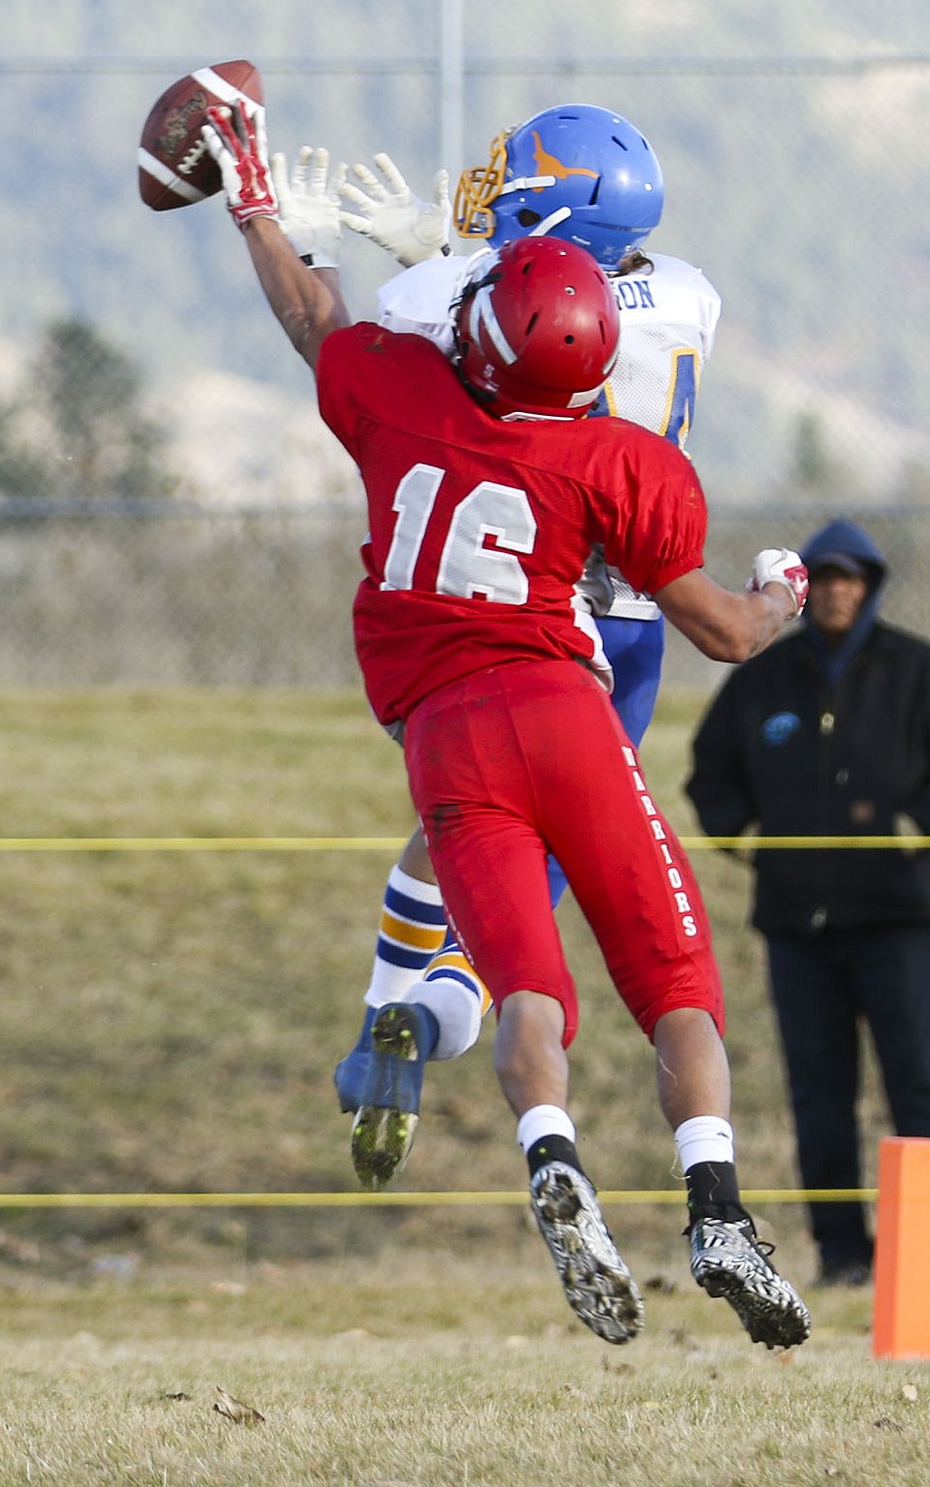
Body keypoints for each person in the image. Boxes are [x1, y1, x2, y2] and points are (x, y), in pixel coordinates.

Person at [200, 95, 811, 1350]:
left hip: (448, 713)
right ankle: (716, 1205)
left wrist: (263, 207)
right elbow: (725, 628)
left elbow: (324, 320)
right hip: (588, 659)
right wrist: (784, 595)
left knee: (515, 971)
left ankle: (522, 1122)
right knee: (673, 975)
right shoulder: (649, 369)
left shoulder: (411, 379)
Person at [331, 106, 723, 1190]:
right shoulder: (687, 293)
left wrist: (428, 256)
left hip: (534, 595)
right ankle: (411, 1016)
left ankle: (401, 1015)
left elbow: (429, 328)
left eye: (517, 177)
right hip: (637, 613)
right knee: (530, 870)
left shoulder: (455, 301)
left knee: (472, 834)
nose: (490, 183)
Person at [685, 518, 930, 1288]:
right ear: (807, 589)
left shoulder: (921, 673)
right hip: (796, 925)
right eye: (823, 578)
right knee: (817, 1090)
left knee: (918, 1077)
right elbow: (710, 773)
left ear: (869, 586)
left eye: (850, 578)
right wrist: (747, 834)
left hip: (897, 920)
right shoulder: (763, 678)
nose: (836, 591)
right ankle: (842, 1252)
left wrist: (915, 825)